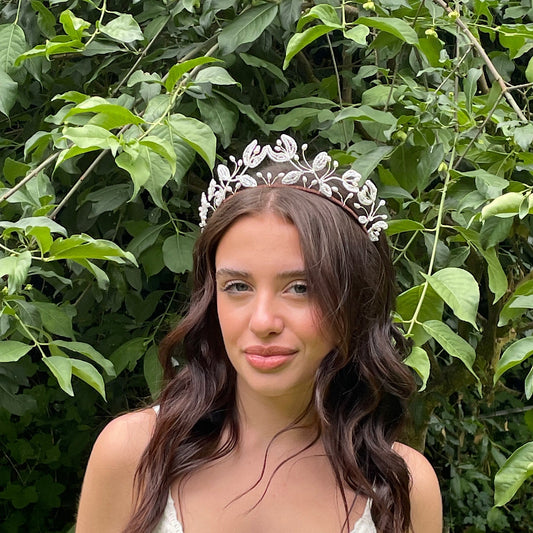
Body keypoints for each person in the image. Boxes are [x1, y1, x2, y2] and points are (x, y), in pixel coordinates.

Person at [76, 135, 442, 533]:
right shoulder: (132, 454)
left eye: (300, 288)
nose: (263, 320)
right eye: (237, 286)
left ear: (354, 303)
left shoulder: (402, 487)